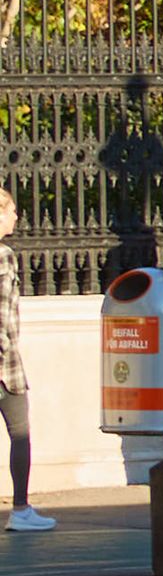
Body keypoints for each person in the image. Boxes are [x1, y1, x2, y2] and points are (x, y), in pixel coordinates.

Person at [0, 186, 41, 531]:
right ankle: (21, 508)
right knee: (20, 433)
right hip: (4, 365)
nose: (16, 216)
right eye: (11, 210)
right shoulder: (3, 255)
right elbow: (3, 312)